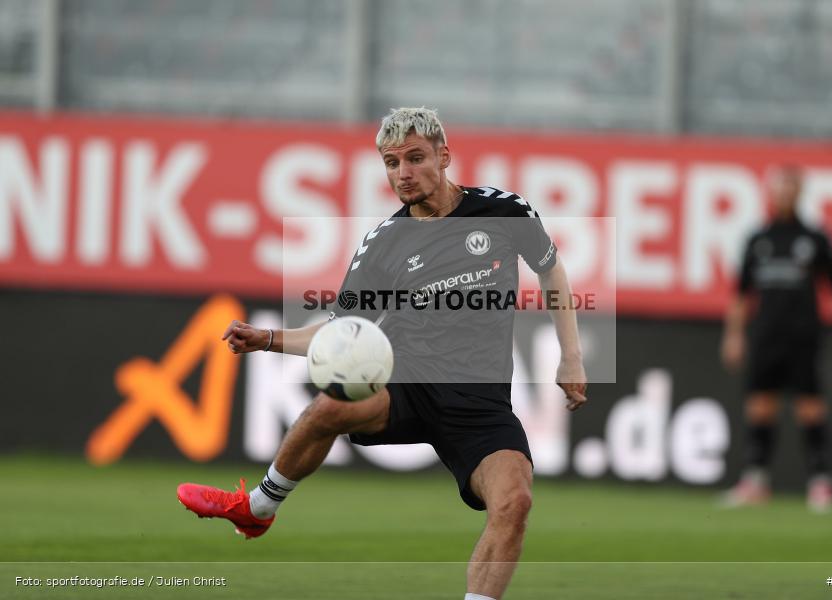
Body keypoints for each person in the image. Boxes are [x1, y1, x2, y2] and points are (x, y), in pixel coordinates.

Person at [177, 107, 588, 600]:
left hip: (480, 404)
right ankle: (258, 509)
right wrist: (267, 339)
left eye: (415, 159)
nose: (403, 174)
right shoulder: (383, 245)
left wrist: (571, 356)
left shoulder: (503, 210)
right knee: (330, 405)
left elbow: (551, 269)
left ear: (445, 156)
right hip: (407, 384)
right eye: (392, 164)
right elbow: (338, 332)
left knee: (515, 501)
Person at [720, 165, 832, 513]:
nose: (783, 194)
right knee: (759, 407)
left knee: (810, 407)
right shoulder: (758, 239)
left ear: (799, 192)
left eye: (790, 187)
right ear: (771, 192)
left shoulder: (816, 238)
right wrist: (734, 335)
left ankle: (821, 482)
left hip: (802, 335)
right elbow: (741, 296)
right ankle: (755, 480)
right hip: (766, 334)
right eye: (779, 187)